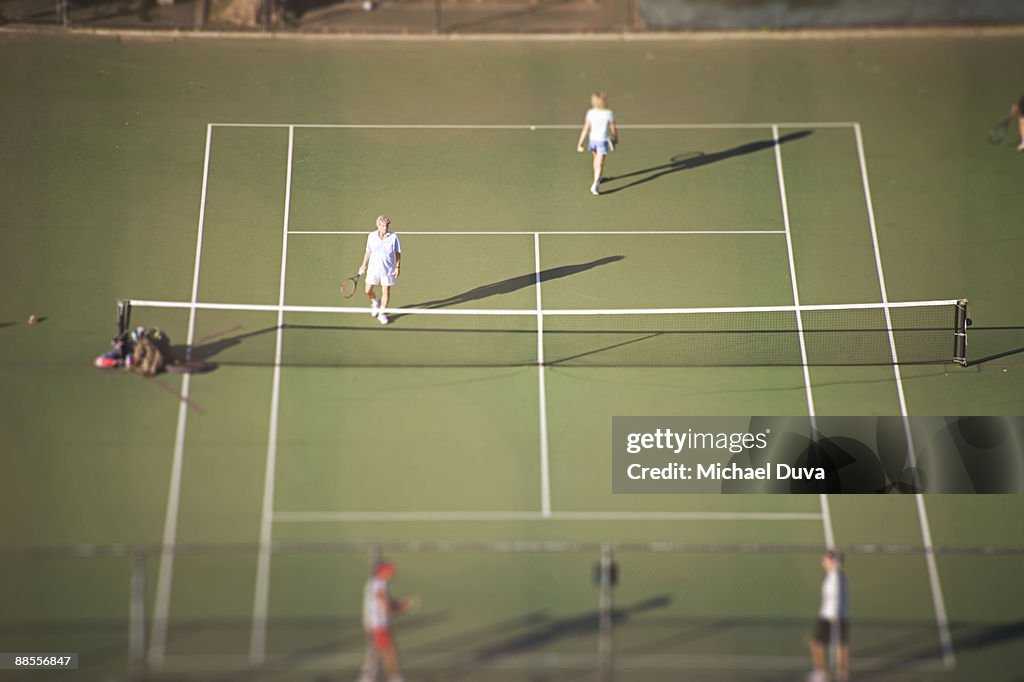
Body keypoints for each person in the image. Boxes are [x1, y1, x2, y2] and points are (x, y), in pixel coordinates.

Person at [359, 562, 415, 682]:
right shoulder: (377, 584)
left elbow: (385, 602)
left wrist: (398, 604)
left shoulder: (381, 583)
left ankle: (367, 677)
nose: (392, 574)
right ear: (383, 572)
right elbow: (384, 606)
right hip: (378, 625)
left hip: (376, 624)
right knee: (389, 653)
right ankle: (394, 678)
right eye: (389, 572)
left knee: (376, 653)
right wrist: (401, 607)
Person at [808, 550, 849, 682]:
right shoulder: (834, 576)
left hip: (832, 617)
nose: (823, 562)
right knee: (838, 645)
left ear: (833, 562)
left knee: (820, 644)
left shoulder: (835, 577)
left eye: (826, 559)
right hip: (831, 616)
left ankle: (828, 674)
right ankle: (834, 673)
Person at [358, 215, 402, 325]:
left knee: (386, 291)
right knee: (367, 290)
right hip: (373, 268)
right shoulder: (371, 236)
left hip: (388, 270)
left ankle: (382, 313)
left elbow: (398, 253)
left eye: (386, 225)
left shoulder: (394, 236)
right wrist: (363, 265)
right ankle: (375, 302)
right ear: (378, 225)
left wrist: (397, 267)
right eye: (382, 226)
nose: (385, 228)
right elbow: (368, 251)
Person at [576, 92, 618, 196]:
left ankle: (597, 177)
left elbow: (586, 128)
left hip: (592, 140)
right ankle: (595, 184)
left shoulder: (590, 112)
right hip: (602, 141)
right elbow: (613, 128)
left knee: (596, 160)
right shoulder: (609, 113)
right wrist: (616, 138)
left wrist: (580, 142)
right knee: (600, 163)